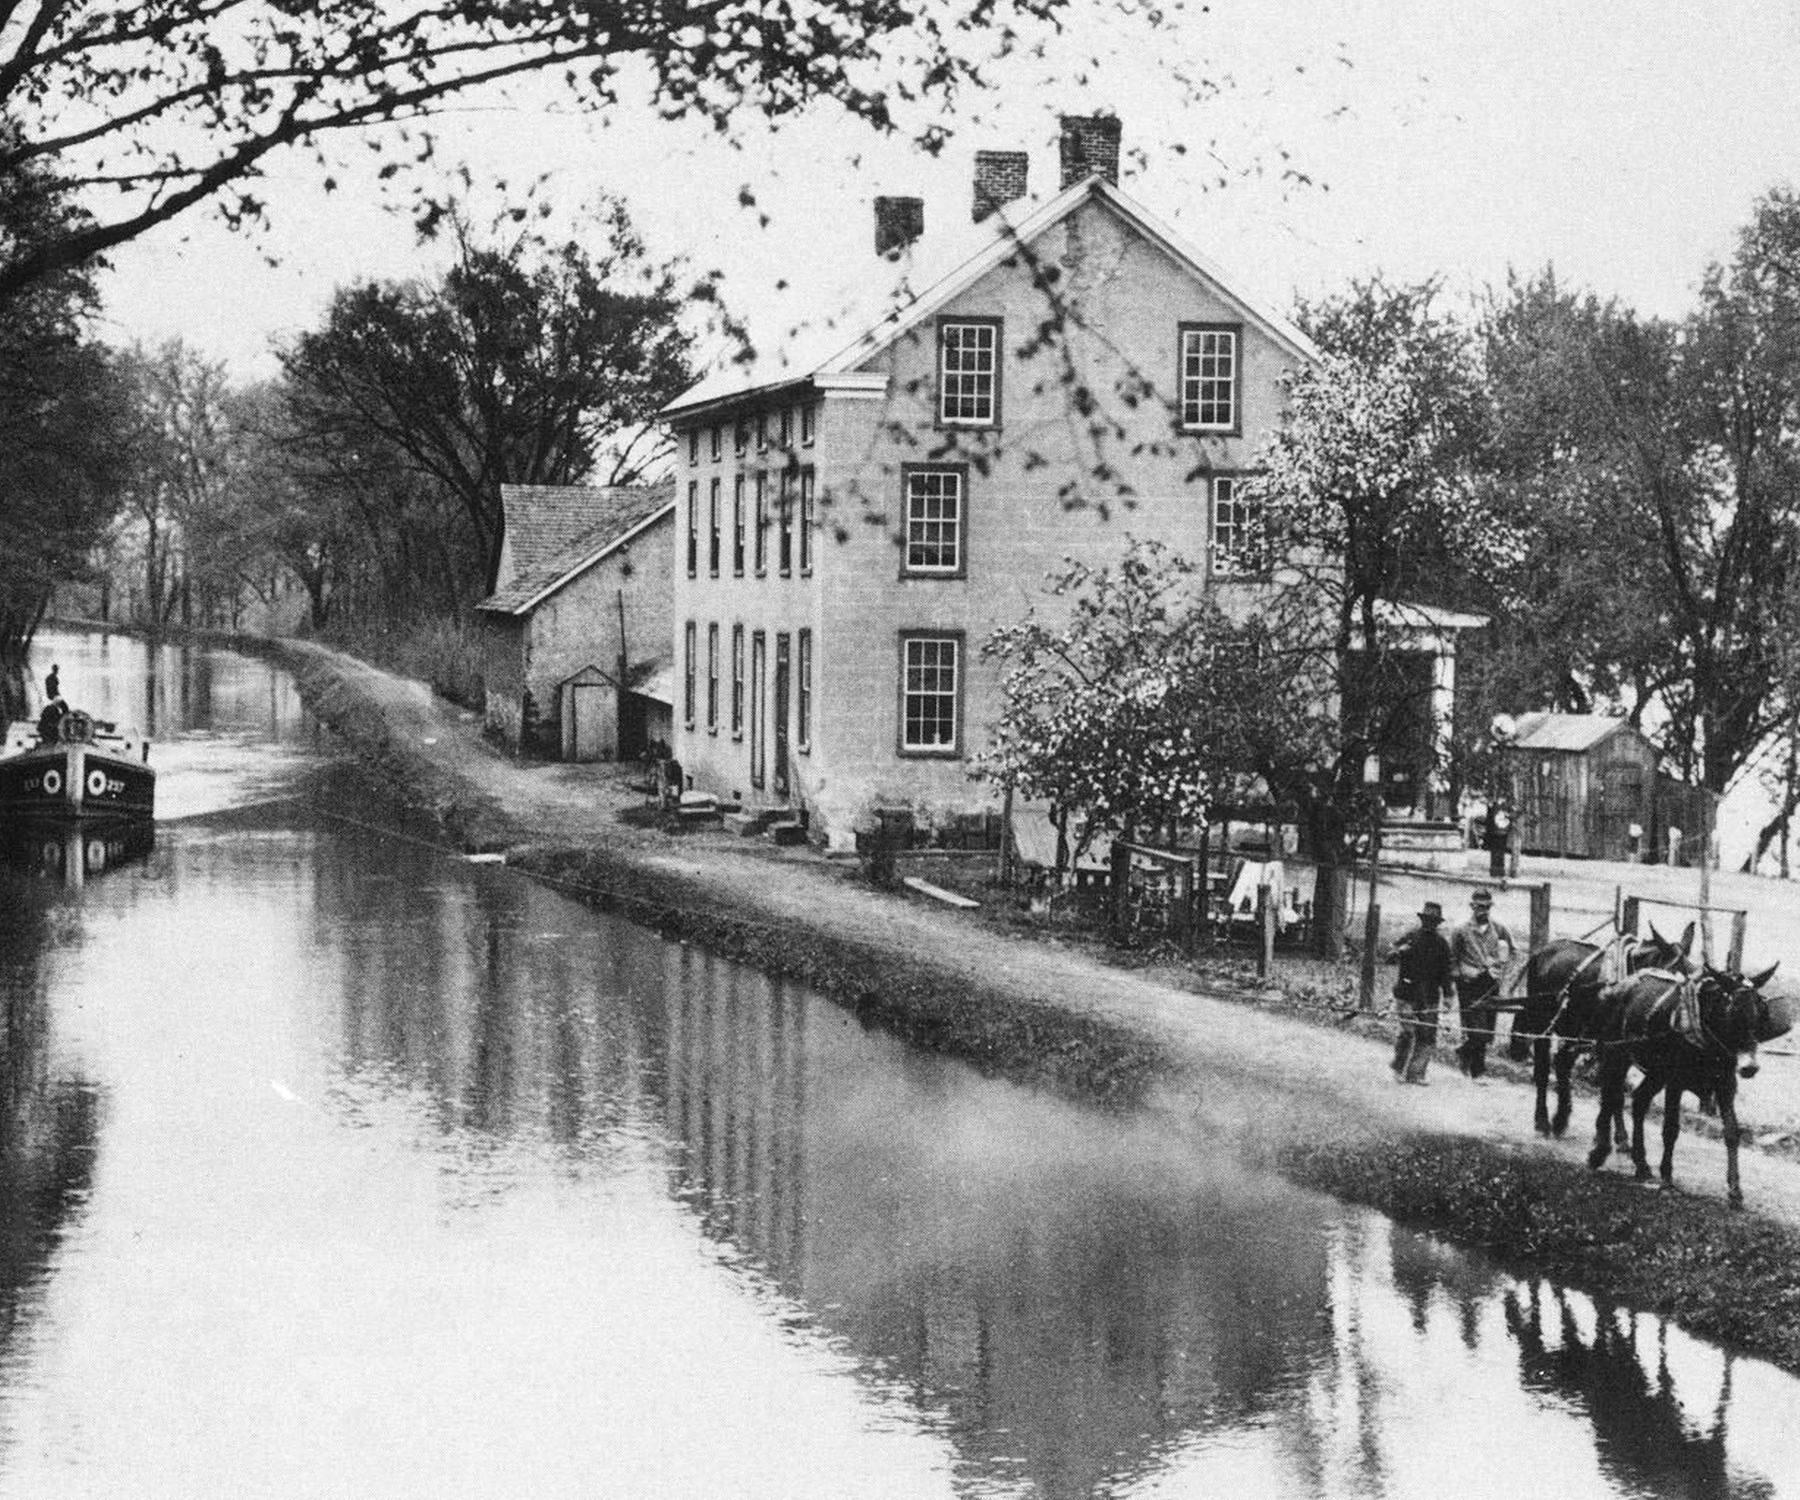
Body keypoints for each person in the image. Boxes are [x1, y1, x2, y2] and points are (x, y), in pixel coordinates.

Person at [1450, 887, 1517, 1080]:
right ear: (1472, 906)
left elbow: (1513, 952)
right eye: (1479, 906)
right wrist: (1460, 976)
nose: (1483, 911)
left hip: (1491, 984)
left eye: (1487, 907)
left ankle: (1464, 1053)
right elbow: (1452, 958)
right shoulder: (1461, 930)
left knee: (1487, 1033)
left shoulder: (1499, 929)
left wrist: (1504, 971)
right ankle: (1478, 1072)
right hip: (1470, 984)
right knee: (1476, 1030)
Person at [1389, 900, 1455, 1084]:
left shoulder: (1441, 944)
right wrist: (1399, 952)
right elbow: (1390, 955)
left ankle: (1416, 1073)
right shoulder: (1411, 937)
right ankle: (1398, 1068)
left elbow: (1446, 972)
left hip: (1430, 996)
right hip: (1407, 994)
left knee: (1427, 1035)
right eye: (1427, 920)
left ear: (1437, 923)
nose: (1429, 924)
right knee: (1407, 1032)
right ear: (1422, 920)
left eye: (1433, 921)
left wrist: (1449, 994)